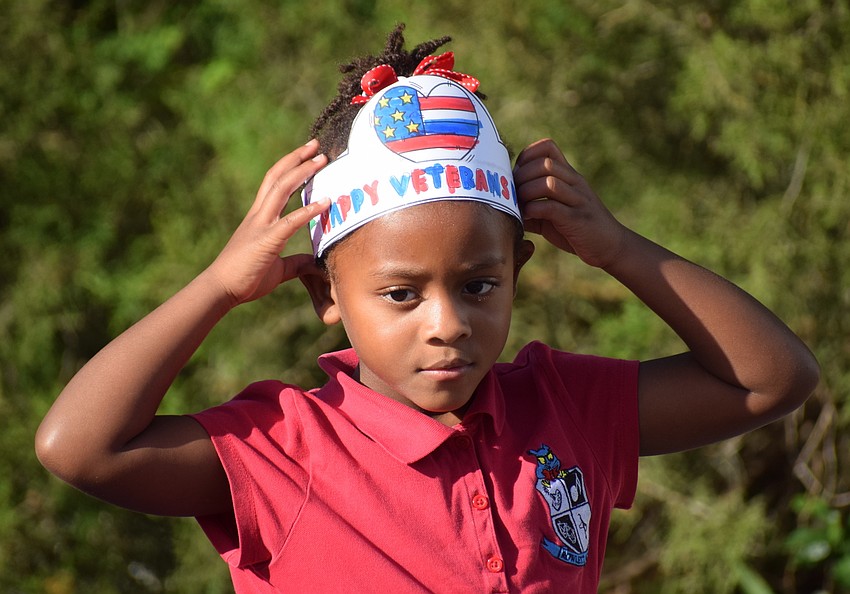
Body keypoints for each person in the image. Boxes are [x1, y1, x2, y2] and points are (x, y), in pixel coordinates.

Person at [35, 24, 819, 593]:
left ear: (518, 270)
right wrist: (217, 287)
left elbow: (772, 379)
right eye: (401, 294)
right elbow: (79, 446)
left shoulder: (563, 410)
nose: (446, 323)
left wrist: (617, 248)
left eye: (479, 285)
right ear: (325, 293)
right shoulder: (286, 451)